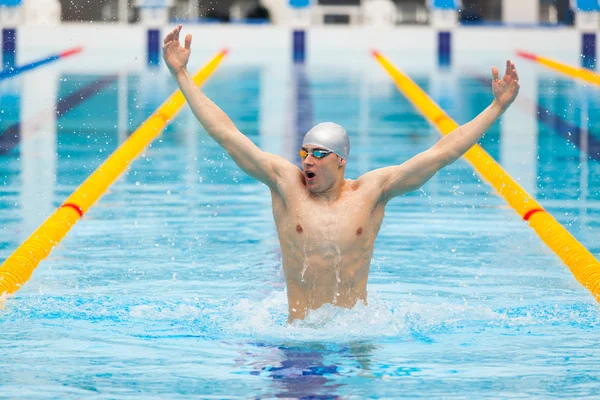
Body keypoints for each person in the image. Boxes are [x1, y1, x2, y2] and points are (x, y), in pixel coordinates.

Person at [162, 25, 520, 323]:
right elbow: (226, 134)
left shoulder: (372, 191)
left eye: (320, 154)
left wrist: (496, 108)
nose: (308, 161)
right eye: (305, 152)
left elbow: (442, 153)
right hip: (298, 336)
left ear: (341, 161)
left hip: (356, 334)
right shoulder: (287, 185)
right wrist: (181, 74)